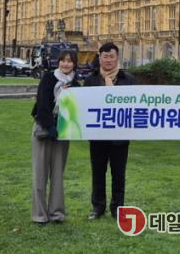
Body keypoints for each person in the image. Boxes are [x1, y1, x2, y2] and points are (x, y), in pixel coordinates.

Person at [84, 42, 137, 220]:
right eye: (105, 57)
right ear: (99, 58)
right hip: (97, 135)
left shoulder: (128, 80)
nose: (108, 60)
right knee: (98, 173)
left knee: (118, 174)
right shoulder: (91, 80)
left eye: (111, 57)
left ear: (117, 58)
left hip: (120, 136)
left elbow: (136, 105)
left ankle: (117, 208)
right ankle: (98, 207)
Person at [30, 49, 79, 225]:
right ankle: (40, 215)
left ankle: (57, 213)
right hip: (44, 129)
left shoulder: (76, 85)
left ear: (74, 64)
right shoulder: (48, 79)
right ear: (58, 62)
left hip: (63, 131)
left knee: (58, 174)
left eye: (69, 61)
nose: (66, 64)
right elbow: (42, 103)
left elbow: (77, 110)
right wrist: (50, 126)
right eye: (63, 60)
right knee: (40, 173)